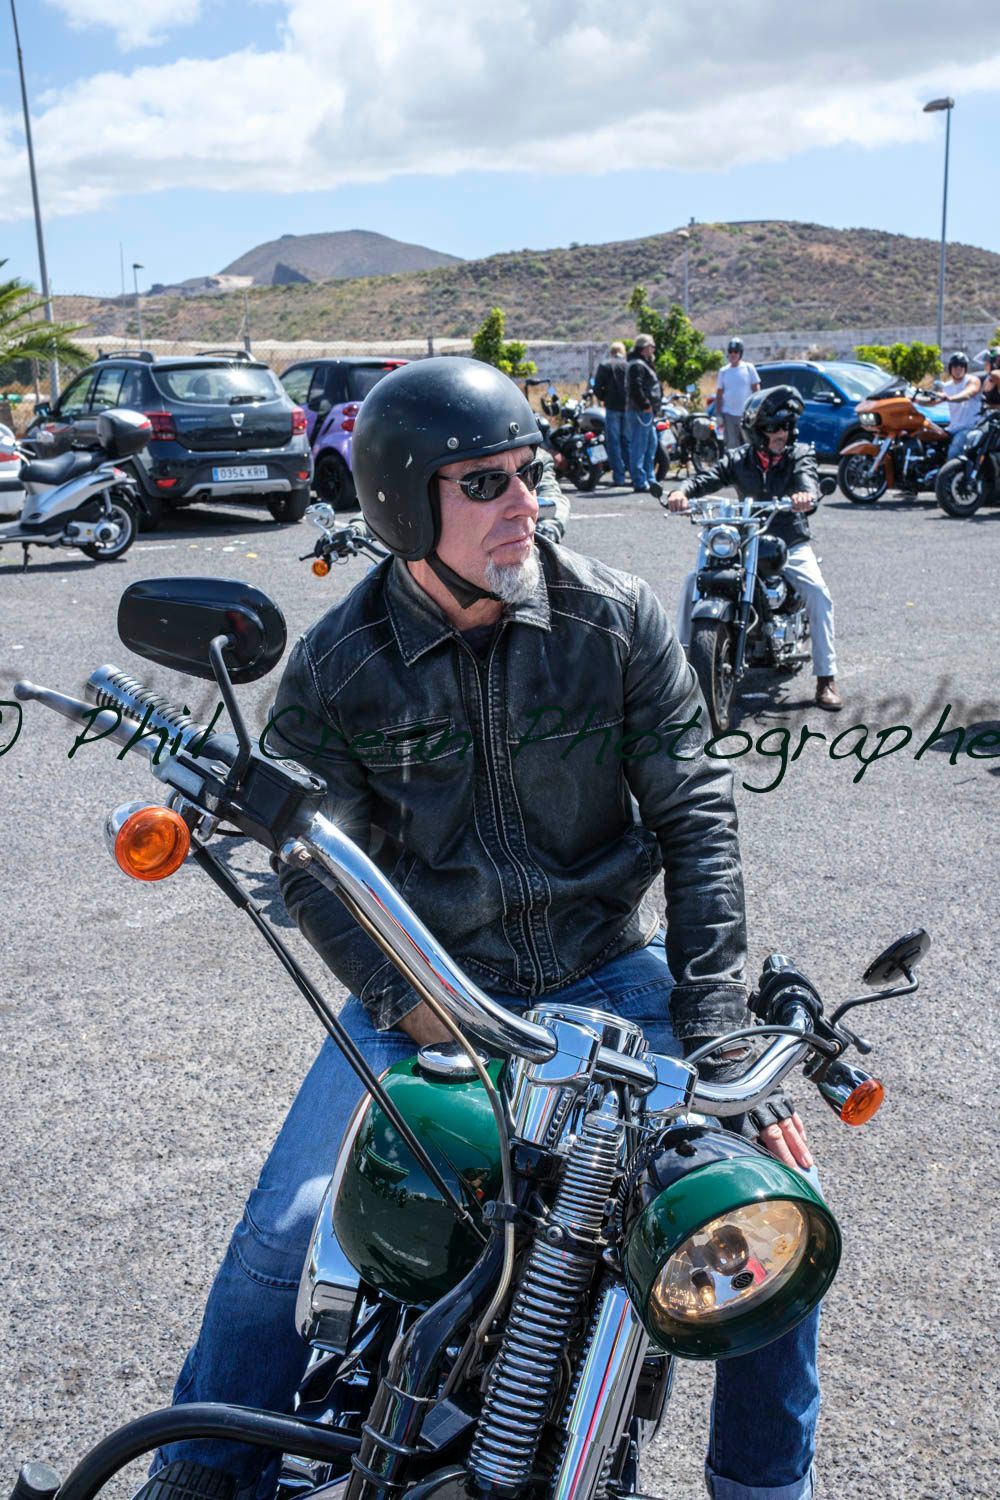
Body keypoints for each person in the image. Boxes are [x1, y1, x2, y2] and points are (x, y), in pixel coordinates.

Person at [140, 357, 821, 1500]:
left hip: (608, 973)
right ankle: (202, 1474)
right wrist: (398, 995)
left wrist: (716, 1030)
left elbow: (698, 815)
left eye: (528, 472)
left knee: (761, 1224)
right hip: (430, 990)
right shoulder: (341, 663)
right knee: (285, 1234)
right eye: (485, 481)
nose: (524, 502)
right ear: (406, 504)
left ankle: (762, 1489)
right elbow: (307, 866)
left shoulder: (613, 619)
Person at [669, 385, 842, 712]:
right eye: (774, 428)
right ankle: (683, 665)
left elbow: (808, 480)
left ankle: (826, 678)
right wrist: (681, 491)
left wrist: (805, 496)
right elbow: (707, 478)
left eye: (786, 427)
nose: (782, 434)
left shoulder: (798, 455)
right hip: (746, 539)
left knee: (818, 592)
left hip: (789, 539)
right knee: (694, 580)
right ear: (757, 431)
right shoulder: (739, 459)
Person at [625, 333, 661, 492]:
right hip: (640, 412)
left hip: (646, 412)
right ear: (644, 347)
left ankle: (650, 478)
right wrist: (645, 404)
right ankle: (639, 481)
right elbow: (636, 387)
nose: (653, 349)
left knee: (651, 444)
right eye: (651, 346)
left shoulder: (643, 363)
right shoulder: (636, 365)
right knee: (639, 447)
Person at [593, 339, 630, 486]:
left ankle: (619, 477)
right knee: (627, 442)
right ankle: (634, 475)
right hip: (628, 408)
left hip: (612, 408)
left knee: (614, 443)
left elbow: (597, 388)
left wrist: (605, 398)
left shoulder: (605, 365)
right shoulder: (628, 365)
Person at [934, 351, 982, 459]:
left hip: (970, 428)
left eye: (961, 366)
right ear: (950, 368)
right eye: (955, 366)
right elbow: (933, 401)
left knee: (953, 453)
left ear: (965, 368)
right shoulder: (947, 387)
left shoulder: (972, 380)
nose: (958, 369)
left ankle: (950, 469)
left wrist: (950, 398)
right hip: (952, 428)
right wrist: (913, 399)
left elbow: (968, 393)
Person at [715, 339, 760, 450]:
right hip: (729, 415)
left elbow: (756, 389)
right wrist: (718, 414)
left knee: (749, 445)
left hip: (746, 415)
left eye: (736, 351)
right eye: (731, 351)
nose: (733, 354)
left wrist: (756, 409)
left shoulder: (749, 368)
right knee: (732, 447)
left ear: (740, 353)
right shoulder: (723, 371)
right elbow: (719, 394)